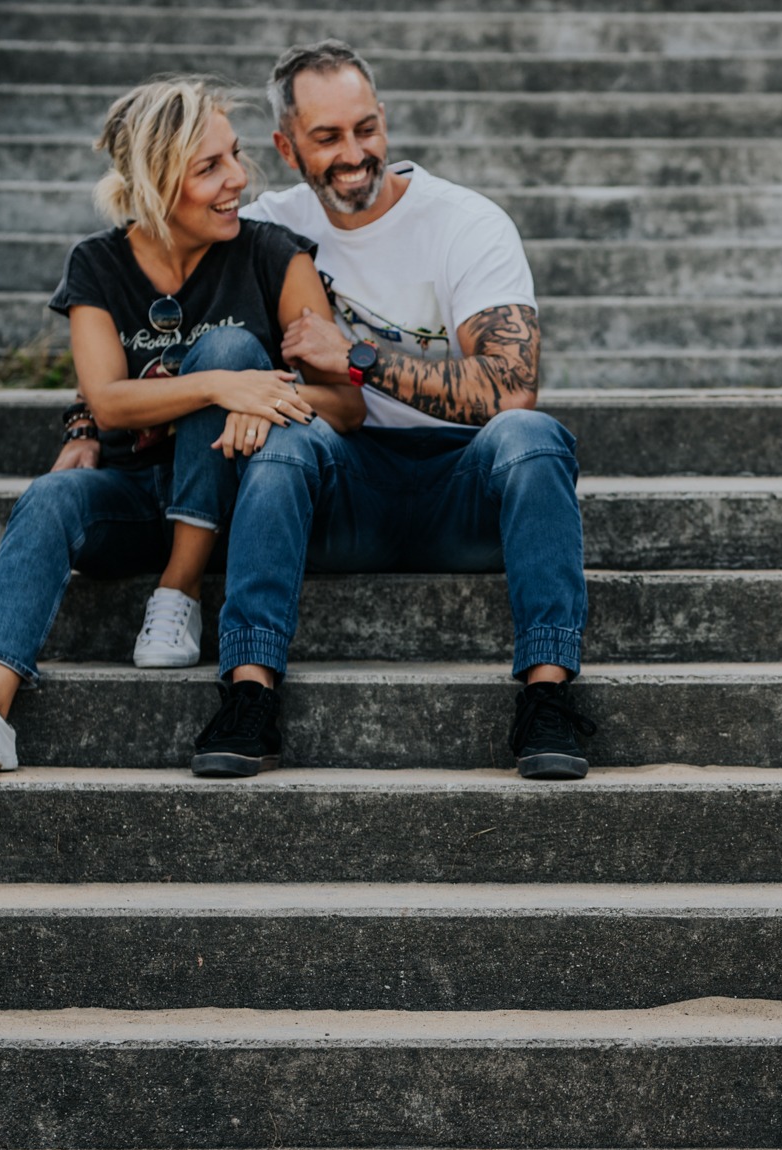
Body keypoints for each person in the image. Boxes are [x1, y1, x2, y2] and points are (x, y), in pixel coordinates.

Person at [187, 38, 593, 780]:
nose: (355, 154)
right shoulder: (265, 231)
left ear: (384, 120)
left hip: (464, 489)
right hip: (345, 491)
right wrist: (88, 422)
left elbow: (511, 388)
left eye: (366, 128)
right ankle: (249, 695)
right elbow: (143, 298)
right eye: (328, 137)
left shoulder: (466, 223)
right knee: (285, 439)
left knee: (533, 437)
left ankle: (548, 699)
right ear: (284, 147)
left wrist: (359, 358)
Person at [0, 76, 362, 775]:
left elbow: (347, 404)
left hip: (243, 504)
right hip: (137, 495)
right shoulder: (98, 265)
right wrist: (222, 386)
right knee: (49, 498)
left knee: (229, 346)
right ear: (156, 182)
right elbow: (106, 404)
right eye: (209, 167)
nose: (237, 179)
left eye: (235, 155)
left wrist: (266, 397)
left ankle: (180, 588)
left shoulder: (272, 255)